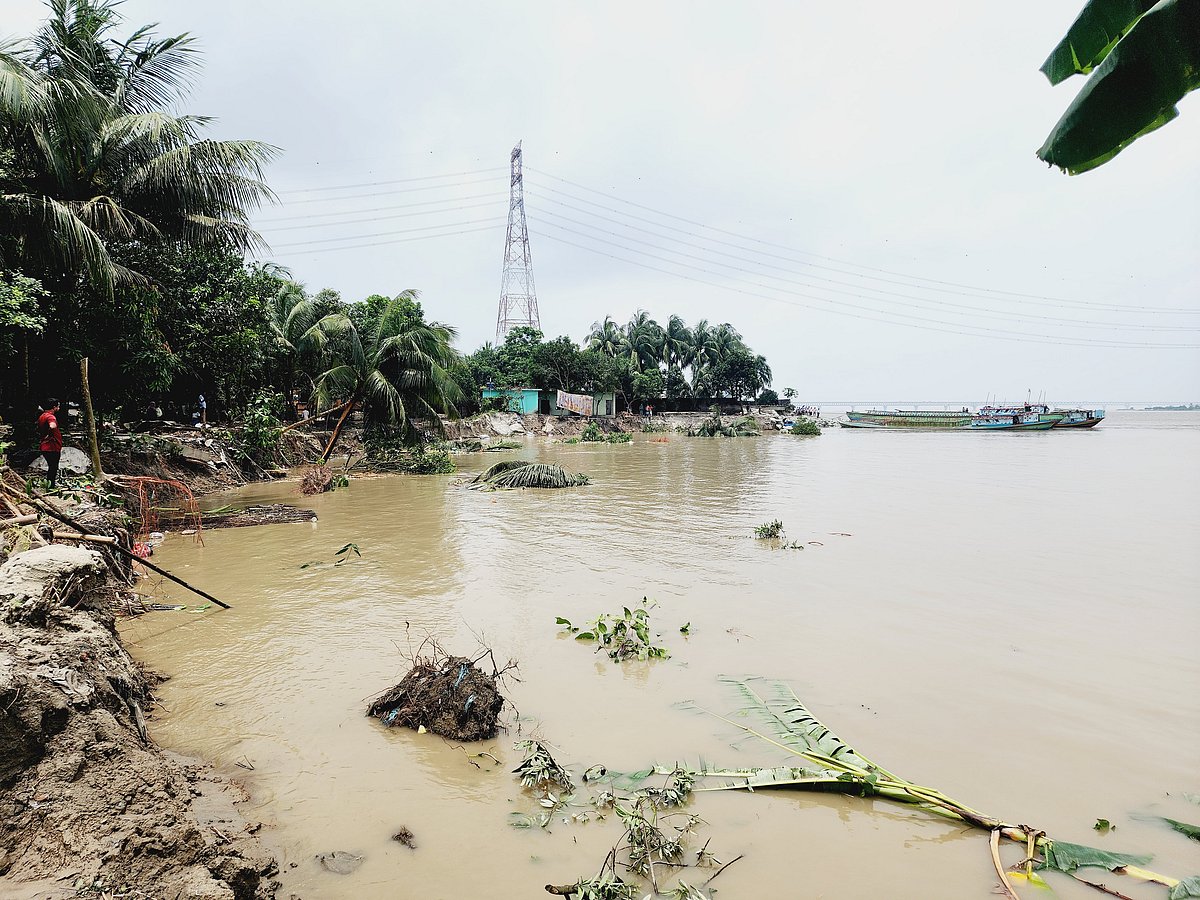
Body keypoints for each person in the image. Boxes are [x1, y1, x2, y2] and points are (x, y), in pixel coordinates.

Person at [36, 398, 63, 487]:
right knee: (53, 468)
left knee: (51, 467)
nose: (59, 408)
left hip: (45, 446)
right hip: (52, 446)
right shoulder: (50, 416)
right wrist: (50, 433)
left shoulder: (42, 416)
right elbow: (52, 426)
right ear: (54, 407)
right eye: (58, 406)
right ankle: (51, 487)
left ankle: (50, 485)